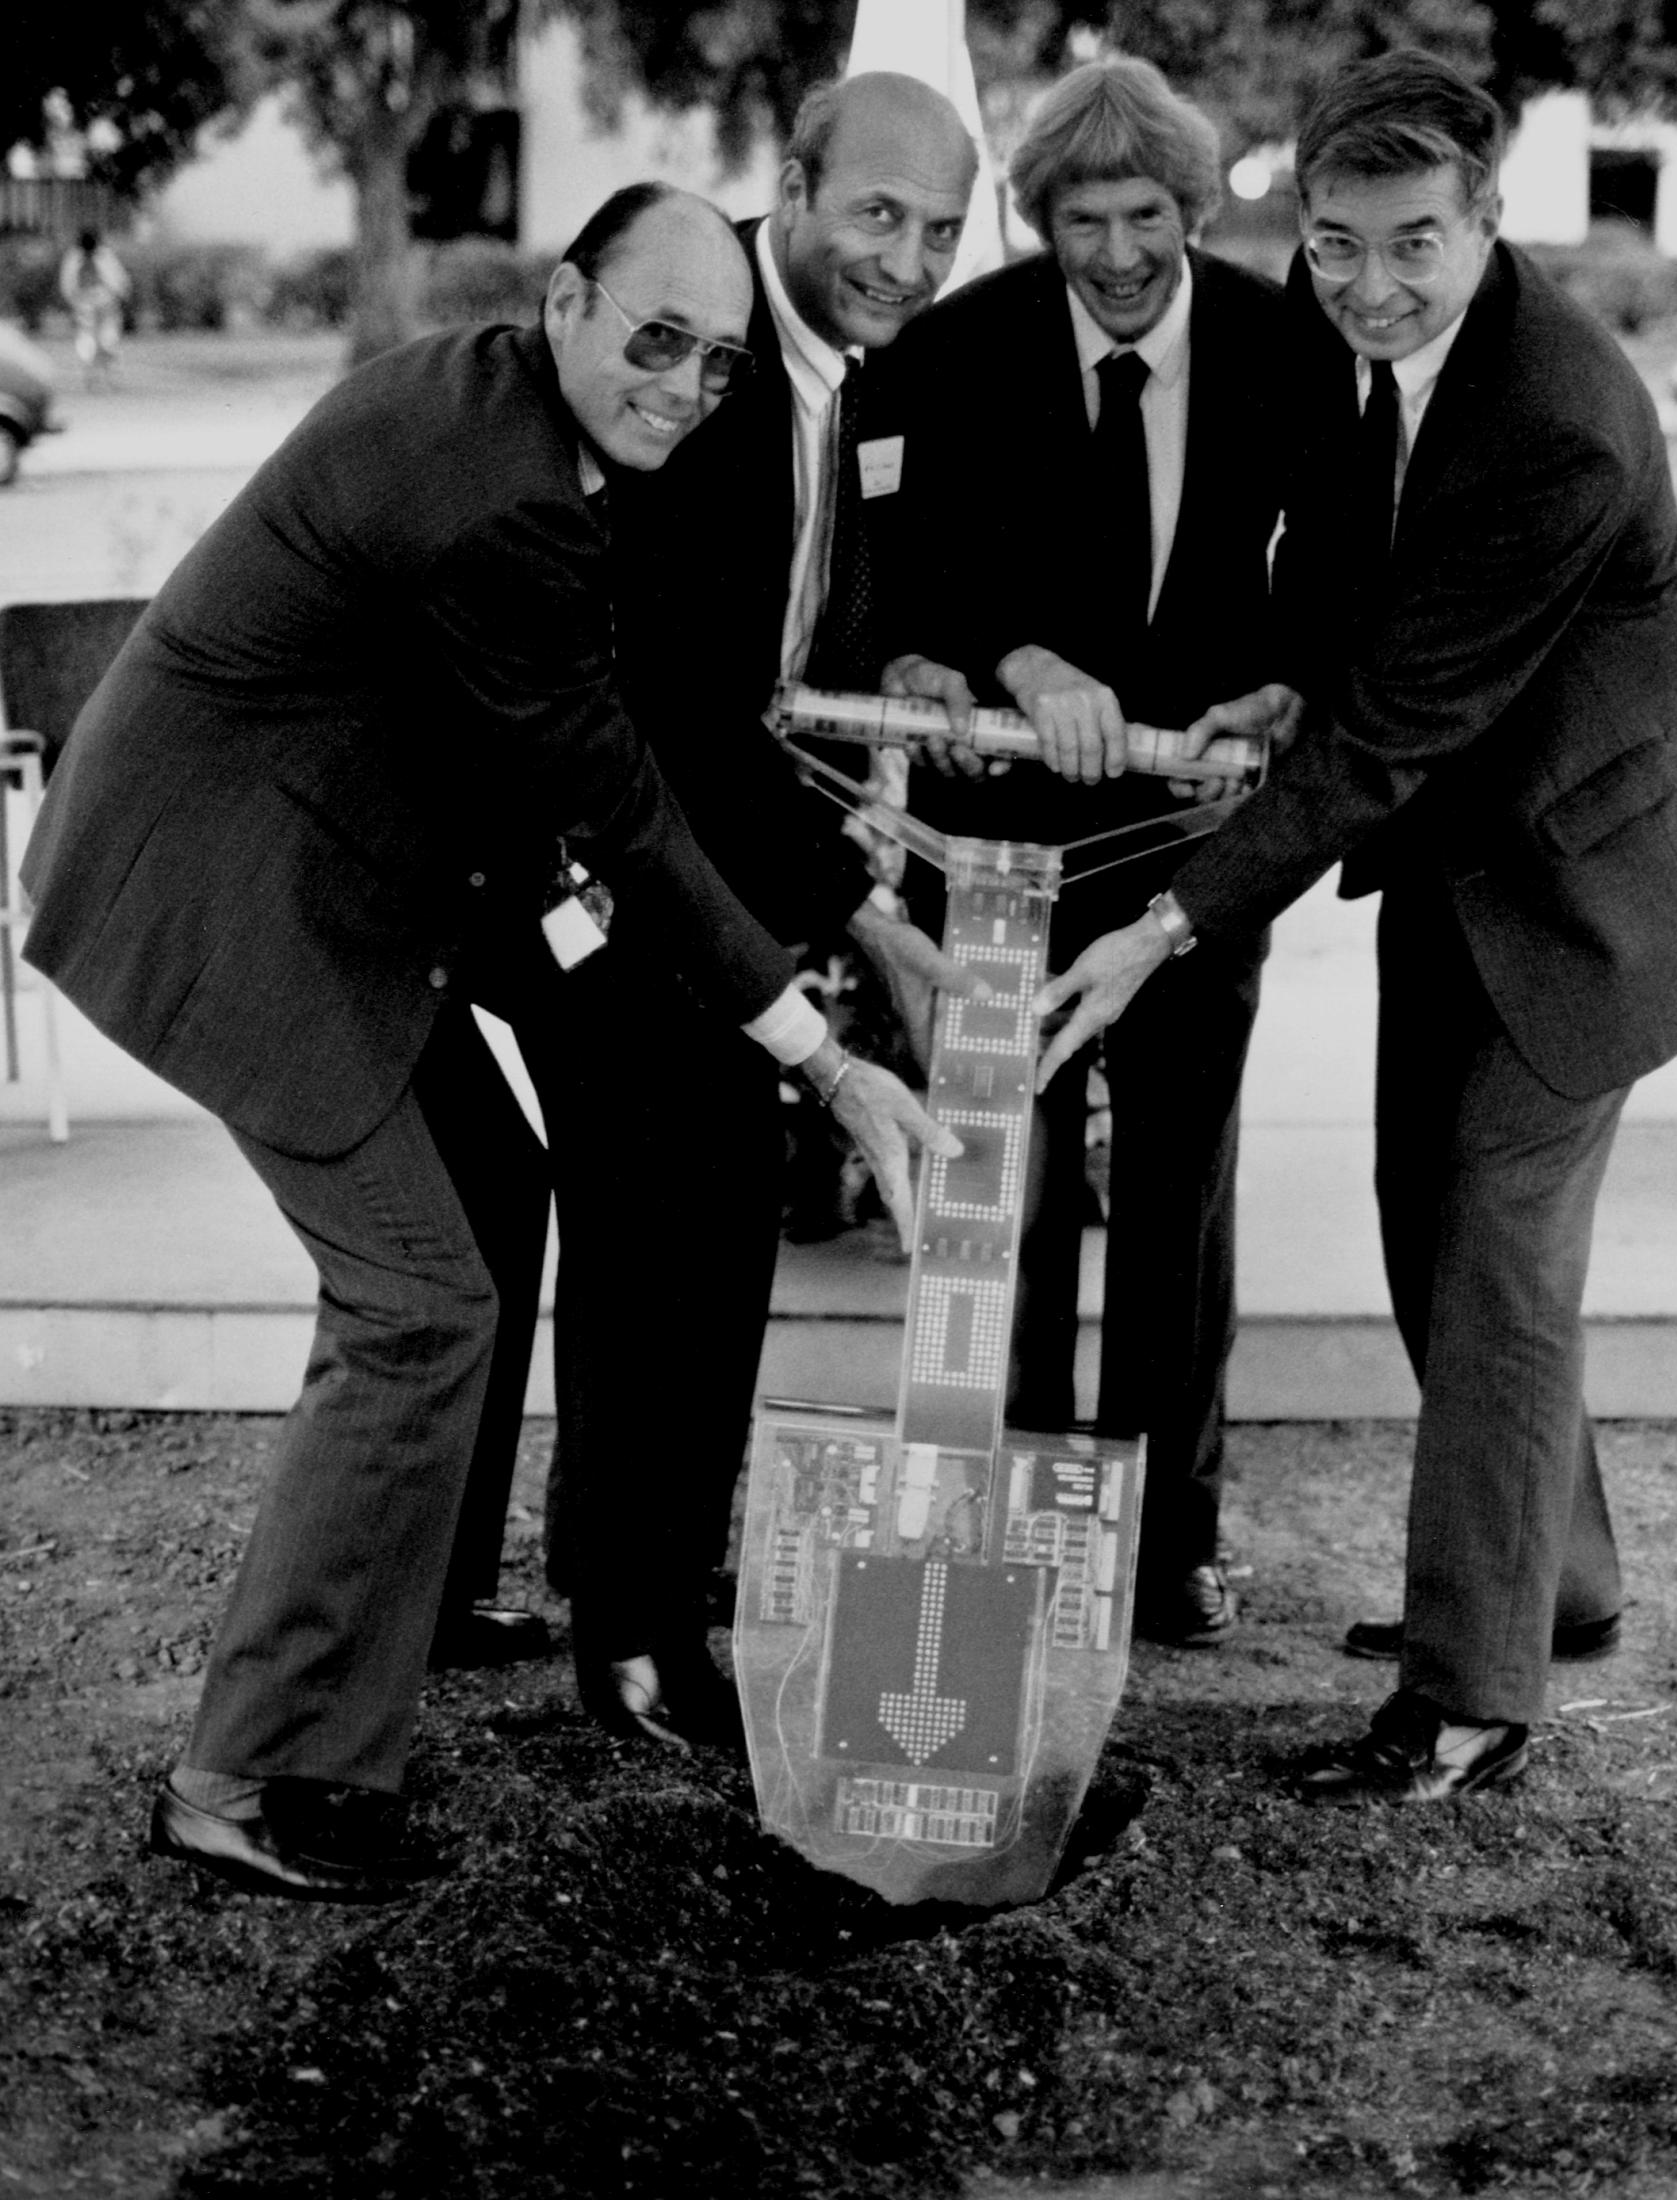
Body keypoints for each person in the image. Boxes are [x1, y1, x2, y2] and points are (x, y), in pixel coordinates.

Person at [20, 184, 958, 1901]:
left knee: (494, 1185)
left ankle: (407, 1620)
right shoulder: (505, 500)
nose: (680, 385)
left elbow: (611, 758)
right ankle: (248, 1777)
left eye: (718, 362)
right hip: (222, 900)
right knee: (418, 1307)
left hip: (321, 879)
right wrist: (826, 1059)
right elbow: (618, 802)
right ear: (568, 298)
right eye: (652, 339)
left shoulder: (509, 402)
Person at [1032, 49, 1677, 1802]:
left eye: (1412, 242)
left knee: (1493, 1255)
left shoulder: (1556, 421)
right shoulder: (1353, 332)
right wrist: (1275, 685)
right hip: (1460, 860)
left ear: (1488, 223)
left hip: (1586, 894)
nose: (1365, 281)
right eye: (1335, 241)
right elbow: (1346, 576)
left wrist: (1166, 926)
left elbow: (1399, 727)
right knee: (1427, 1220)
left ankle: (1474, 1694)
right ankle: (1555, 1580)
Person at [508, 73, 982, 1751]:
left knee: (699, 1227)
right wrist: (870, 920)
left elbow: (801, 638)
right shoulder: (716, 356)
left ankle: (629, 1588)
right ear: (792, 184)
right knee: (678, 1228)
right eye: (877, 214)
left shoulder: (844, 371)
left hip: (710, 844)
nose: (907, 259)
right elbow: (688, 716)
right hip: (611, 858)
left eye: (937, 229)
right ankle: (635, 1638)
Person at [883, 55, 1286, 1649]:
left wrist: (1286, 693)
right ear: (1033, 216)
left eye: (1140, 218)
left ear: (1190, 210)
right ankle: (1000, 1508)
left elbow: (1327, 575)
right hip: (996, 839)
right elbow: (908, 572)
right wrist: (1017, 664)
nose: (1112, 255)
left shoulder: (1282, 346)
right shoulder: (957, 342)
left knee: (1180, 1187)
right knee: (1011, 1188)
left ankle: (1167, 1536)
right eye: (1077, 220)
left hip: (1196, 837)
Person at [58, 230, 130, 385]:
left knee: (106, 336)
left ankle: (108, 371)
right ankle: (94, 371)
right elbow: (69, 282)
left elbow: (116, 277)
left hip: (103, 299)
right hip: (86, 301)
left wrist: (120, 292)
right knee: (89, 336)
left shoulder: (102, 255)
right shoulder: (76, 257)